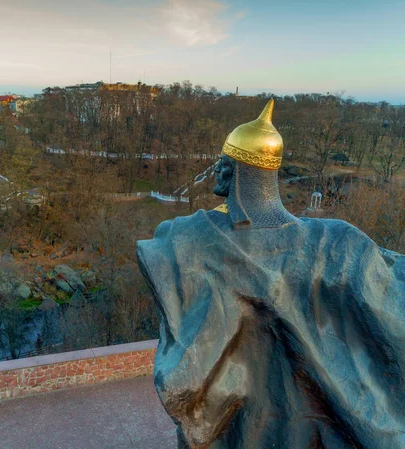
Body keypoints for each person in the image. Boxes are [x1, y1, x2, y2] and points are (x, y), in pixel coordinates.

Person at [137, 100, 405, 449]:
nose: (217, 171)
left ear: (238, 172)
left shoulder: (190, 236)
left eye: (224, 164)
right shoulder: (336, 240)